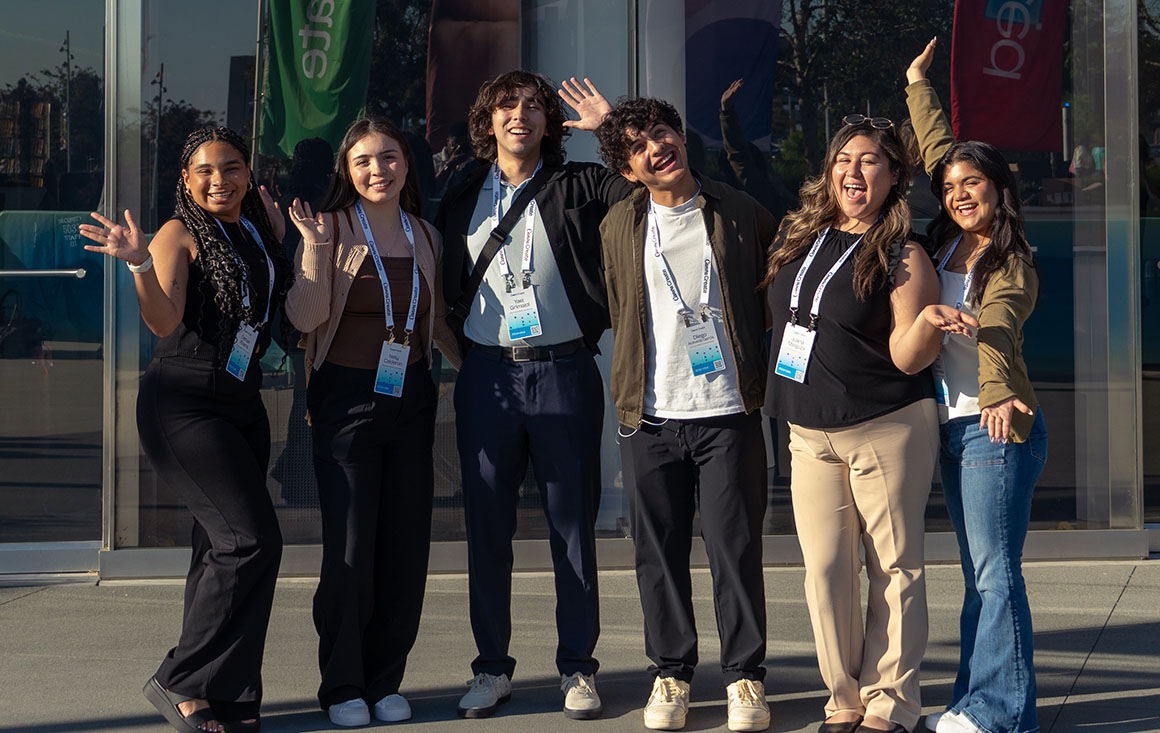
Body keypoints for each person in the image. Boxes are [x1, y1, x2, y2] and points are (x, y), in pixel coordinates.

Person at [434, 71, 633, 720]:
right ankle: (491, 666)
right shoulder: (461, 191)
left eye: (533, 107)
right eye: (506, 105)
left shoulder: (579, 184)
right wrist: (468, 360)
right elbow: (440, 282)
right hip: (488, 377)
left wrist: (610, 128)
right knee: (487, 527)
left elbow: (648, 188)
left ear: (549, 123)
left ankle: (578, 667)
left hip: (565, 371)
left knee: (572, 525)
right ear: (487, 121)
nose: (519, 115)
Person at [79, 126, 292, 733]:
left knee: (217, 548)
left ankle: (228, 693)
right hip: (186, 403)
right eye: (204, 170)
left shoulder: (254, 227)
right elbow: (165, 321)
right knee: (249, 541)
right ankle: (180, 678)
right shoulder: (179, 233)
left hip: (243, 402)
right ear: (185, 179)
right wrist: (141, 263)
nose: (218, 180)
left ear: (248, 173)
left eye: (230, 168)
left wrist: (287, 241)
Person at [763, 114, 958, 733]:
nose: (853, 171)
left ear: (895, 176)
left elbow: (908, 354)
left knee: (893, 568)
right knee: (825, 568)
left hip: (885, 422)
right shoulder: (802, 236)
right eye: (844, 159)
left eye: (870, 160)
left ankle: (892, 702)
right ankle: (843, 697)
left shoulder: (903, 252)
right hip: (807, 428)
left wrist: (928, 324)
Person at [596, 97, 776, 732]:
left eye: (663, 133)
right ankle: (670, 673)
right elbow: (610, 300)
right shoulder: (618, 223)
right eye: (638, 146)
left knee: (736, 548)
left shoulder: (738, 210)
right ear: (627, 168)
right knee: (657, 551)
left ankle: (745, 678)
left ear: (681, 134)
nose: (656, 149)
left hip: (729, 410)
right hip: (649, 415)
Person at [284, 116, 460, 727]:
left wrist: (486, 370)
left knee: (406, 547)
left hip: (411, 399)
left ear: (406, 166)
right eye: (363, 161)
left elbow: (436, 325)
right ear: (347, 171)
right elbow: (304, 320)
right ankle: (341, 685)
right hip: (346, 401)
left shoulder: (426, 236)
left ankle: (386, 679)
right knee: (352, 548)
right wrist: (311, 248)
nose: (377, 170)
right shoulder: (329, 229)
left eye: (388, 158)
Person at [906, 38, 1047, 733]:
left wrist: (993, 391)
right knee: (980, 578)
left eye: (974, 183)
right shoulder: (948, 240)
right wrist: (915, 84)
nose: (959, 192)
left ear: (1001, 188)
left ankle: (999, 715)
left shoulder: (1010, 261)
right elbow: (938, 150)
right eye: (952, 186)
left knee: (996, 578)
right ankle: (972, 701)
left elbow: (997, 323)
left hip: (995, 428)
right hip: (955, 430)